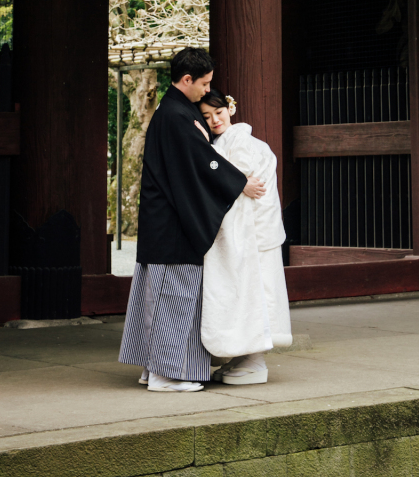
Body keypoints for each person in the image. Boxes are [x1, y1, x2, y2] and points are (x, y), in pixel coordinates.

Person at [118, 47, 266, 392]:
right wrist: (239, 182)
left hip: (163, 223)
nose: (207, 89)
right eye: (204, 83)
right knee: (175, 299)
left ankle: (153, 369)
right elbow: (202, 163)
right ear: (187, 80)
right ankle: (168, 375)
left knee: (158, 299)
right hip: (172, 228)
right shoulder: (176, 116)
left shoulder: (174, 112)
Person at [199, 87, 292, 386]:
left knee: (255, 294)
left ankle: (254, 360)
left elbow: (237, 177)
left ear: (231, 109)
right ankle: (245, 357)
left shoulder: (242, 142)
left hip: (253, 234)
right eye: (207, 116)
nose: (215, 120)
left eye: (218, 112)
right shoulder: (228, 142)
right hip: (253, 232)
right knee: (251, 293)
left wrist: (236, 183)